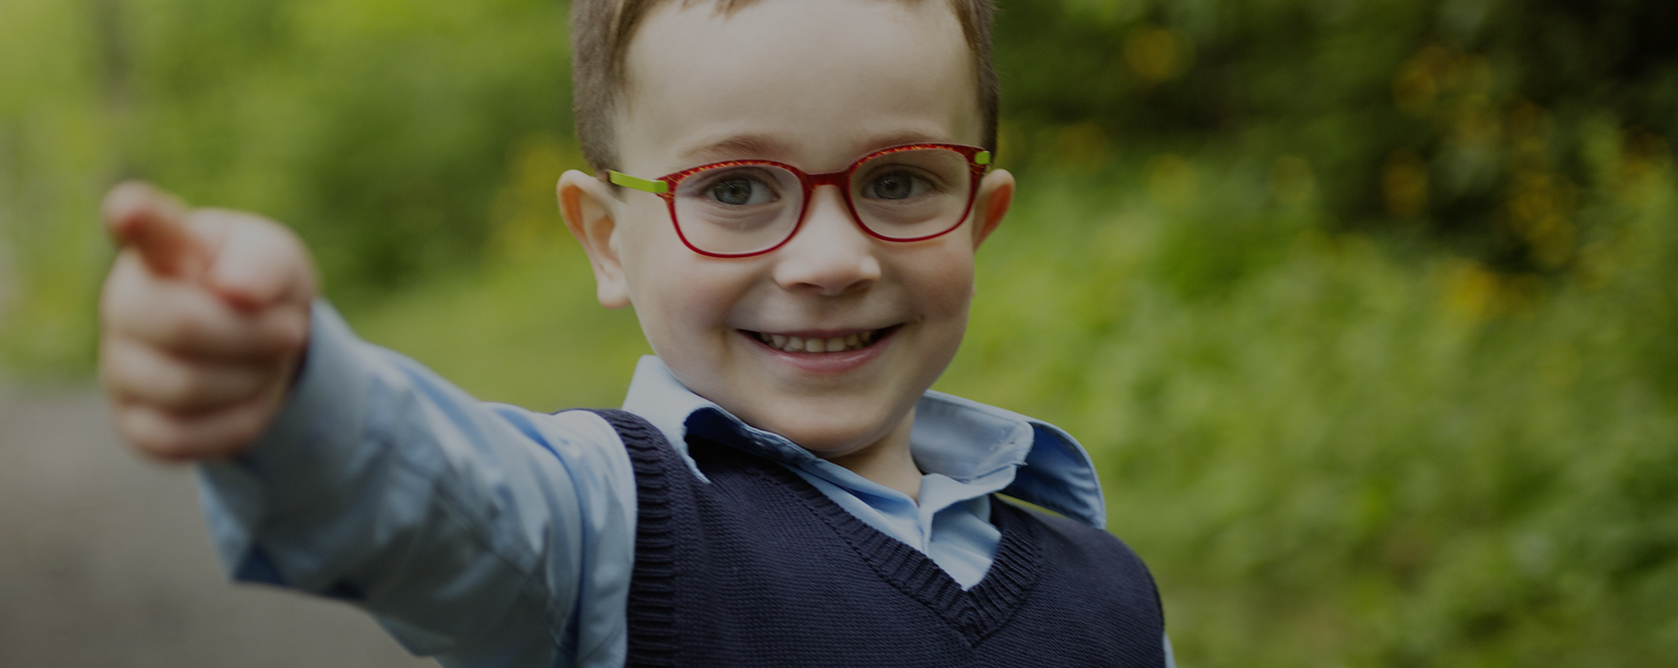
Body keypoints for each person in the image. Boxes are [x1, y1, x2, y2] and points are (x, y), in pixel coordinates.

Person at [97, 0, 1171, 665]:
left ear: (978, 222)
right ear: (608, 240)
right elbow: (442, 500)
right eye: (739, 186)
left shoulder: (1105, 585)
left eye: (898, 179)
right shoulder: (608, 531)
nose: (833, 259)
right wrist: (288, 378)